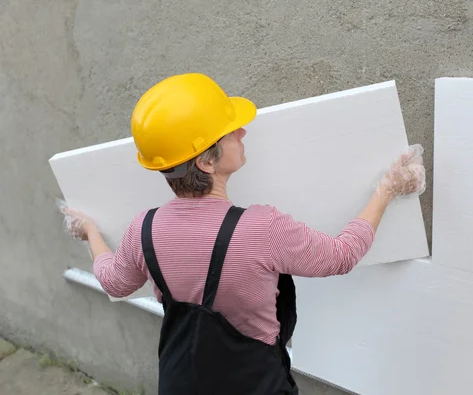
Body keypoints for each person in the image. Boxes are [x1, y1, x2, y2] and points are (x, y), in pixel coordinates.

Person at [61, 73, 426, 395]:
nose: (242, 131)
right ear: (206, 161)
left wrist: (91, 231)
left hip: (179, 384)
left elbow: (113, 282)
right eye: (229, 130)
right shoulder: (261, 229)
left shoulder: (142, 230)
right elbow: (341, 255)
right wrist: (387, 189)